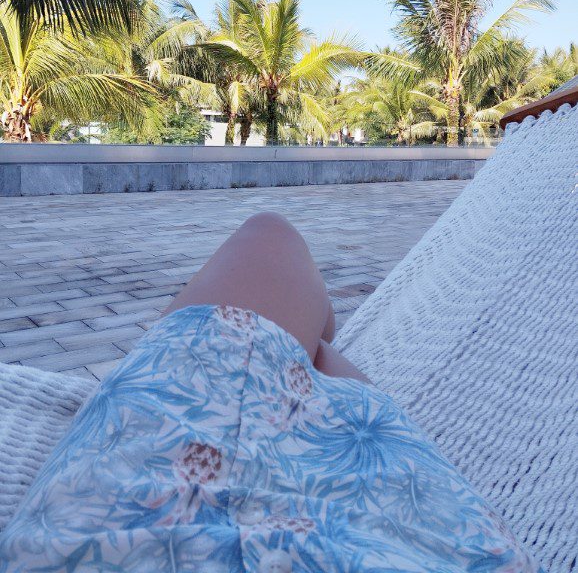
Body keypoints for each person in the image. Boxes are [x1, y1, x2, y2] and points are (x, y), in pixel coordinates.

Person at [0, 213, 540, 572]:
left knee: (269, 236)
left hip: (135, 522)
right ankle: (311, 344)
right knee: (323, 366)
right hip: (414, 546)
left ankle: (307, 343)